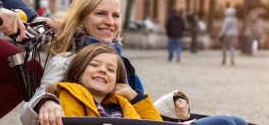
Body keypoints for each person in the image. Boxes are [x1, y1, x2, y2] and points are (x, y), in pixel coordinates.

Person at [20, 0, 197, 125]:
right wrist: (46, 102)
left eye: (116, 15)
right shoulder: (68, 58)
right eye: (100, 13)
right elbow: (29, 113)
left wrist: (172, 106)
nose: (110, 22)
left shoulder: (116, 56)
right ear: (82, 18)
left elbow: (133, 111)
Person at [27, 43, 248, 125]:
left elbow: (154, 122)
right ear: (78, 72)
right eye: (94, 65)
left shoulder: (119, 102)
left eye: (110, 69)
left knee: (237, 121)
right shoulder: (70, 94)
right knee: (225, 122)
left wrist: (134, 97)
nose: (103, 70)